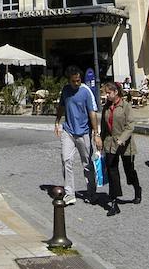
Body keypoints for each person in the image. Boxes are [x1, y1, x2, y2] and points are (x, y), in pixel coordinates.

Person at [54, 67, 99, 206]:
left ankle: (91, 192)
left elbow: (92, 112)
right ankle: (69, 193)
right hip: (68, 131)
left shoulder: (85, 92)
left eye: (78, 80)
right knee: (66, 160)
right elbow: (62, 106)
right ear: (69, 80)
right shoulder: (66, 90)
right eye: (74, 81)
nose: (77, 83)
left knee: (87, 164)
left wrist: (96, 132)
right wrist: (57, 122)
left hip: (84, 132)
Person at [100, 81, 140, 216]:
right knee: (112, 172)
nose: (106, 95)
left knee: (129, 170)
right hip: (110, 143)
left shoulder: (125, 106)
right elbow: (104, 126)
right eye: (105, 93)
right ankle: (114, 201)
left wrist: (122, 138)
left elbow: (130, 126)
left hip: (124, 144)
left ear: (116, 92)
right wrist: (99, 139)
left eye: (108, 93)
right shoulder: (106, 107)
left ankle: (137, 188)